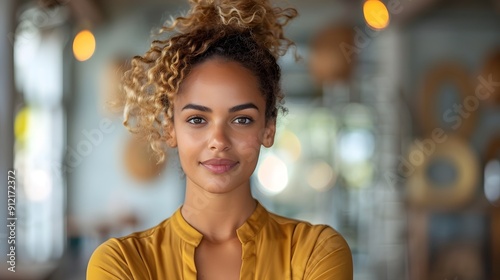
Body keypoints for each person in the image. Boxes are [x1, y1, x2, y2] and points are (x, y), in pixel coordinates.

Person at [86, 0, 353, 279]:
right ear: (169, 128)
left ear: (268, 128)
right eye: (197, 120)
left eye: (241, 119)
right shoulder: (121, 262)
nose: (218, 140)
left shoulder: (316, 252)